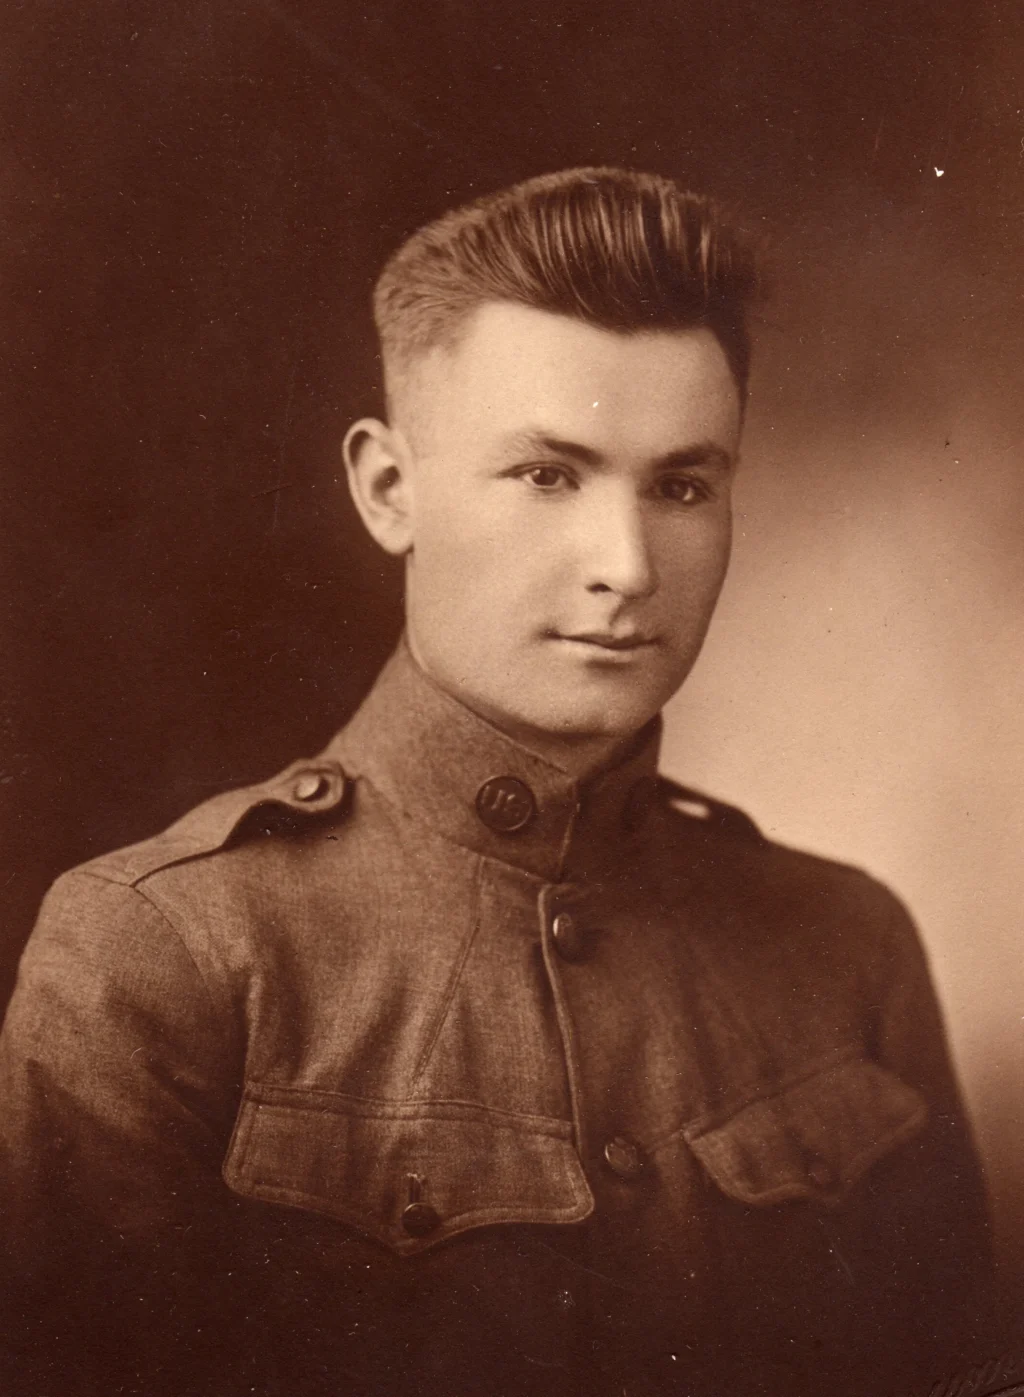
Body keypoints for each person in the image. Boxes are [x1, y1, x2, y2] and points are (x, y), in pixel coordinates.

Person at [0, 168, 997, 1397]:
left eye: (681, 485)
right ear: (387, 489)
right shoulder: (159, 955)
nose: (625, 565)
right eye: (547, 475)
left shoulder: (850, 946)